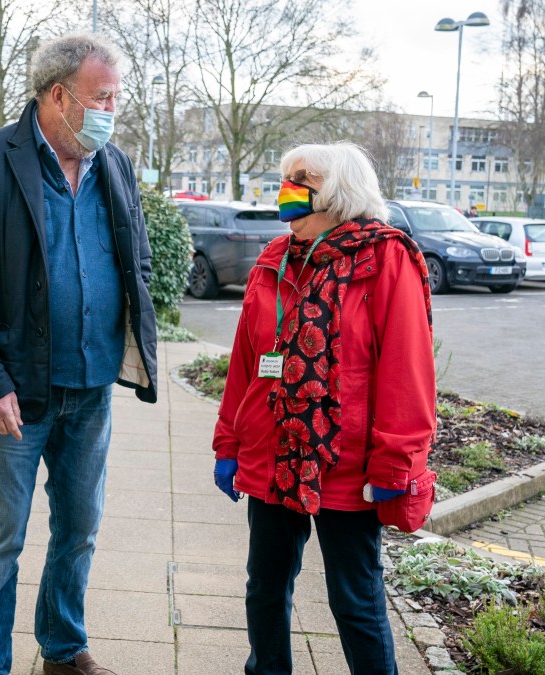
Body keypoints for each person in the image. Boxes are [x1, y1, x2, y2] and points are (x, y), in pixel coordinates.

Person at [0, 33, 158, 675]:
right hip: (14, 392)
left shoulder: (111, 161)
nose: (113, 109)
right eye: (102, 97)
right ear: (59, 95)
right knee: (1, 538)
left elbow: (135, 256)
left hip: (89, 389)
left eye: (116, 96)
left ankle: (62, 647)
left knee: (80, 528)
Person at [211, 142, 435, 675]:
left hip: (348, 466)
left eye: (302, 178)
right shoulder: (274, 259)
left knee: (354, 600)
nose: (288, 189)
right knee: (265, 587)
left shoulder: (387, 258)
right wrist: (228, 443)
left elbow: (407, 372)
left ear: (339, 189)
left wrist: (396, 463)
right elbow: (246, 362)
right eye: (285, 177)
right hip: (272, 454)